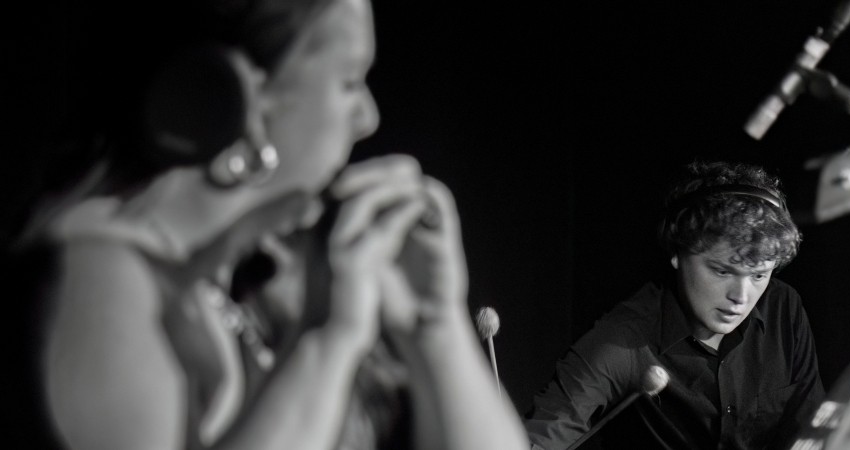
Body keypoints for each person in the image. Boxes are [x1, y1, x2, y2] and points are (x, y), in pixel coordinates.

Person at [11, 0, 527, 448]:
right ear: (232, 93)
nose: (368, 117)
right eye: (348, 81)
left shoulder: (247, 285)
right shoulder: (101, 280)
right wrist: (327, 340)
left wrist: (435, 326)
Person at [526, 161, 826, 450]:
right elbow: (545, 433)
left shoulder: (784, 307)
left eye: (759, 275)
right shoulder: (624, 340)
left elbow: (811, 429)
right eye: (722, 271)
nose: (741, 296)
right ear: (677, 253)